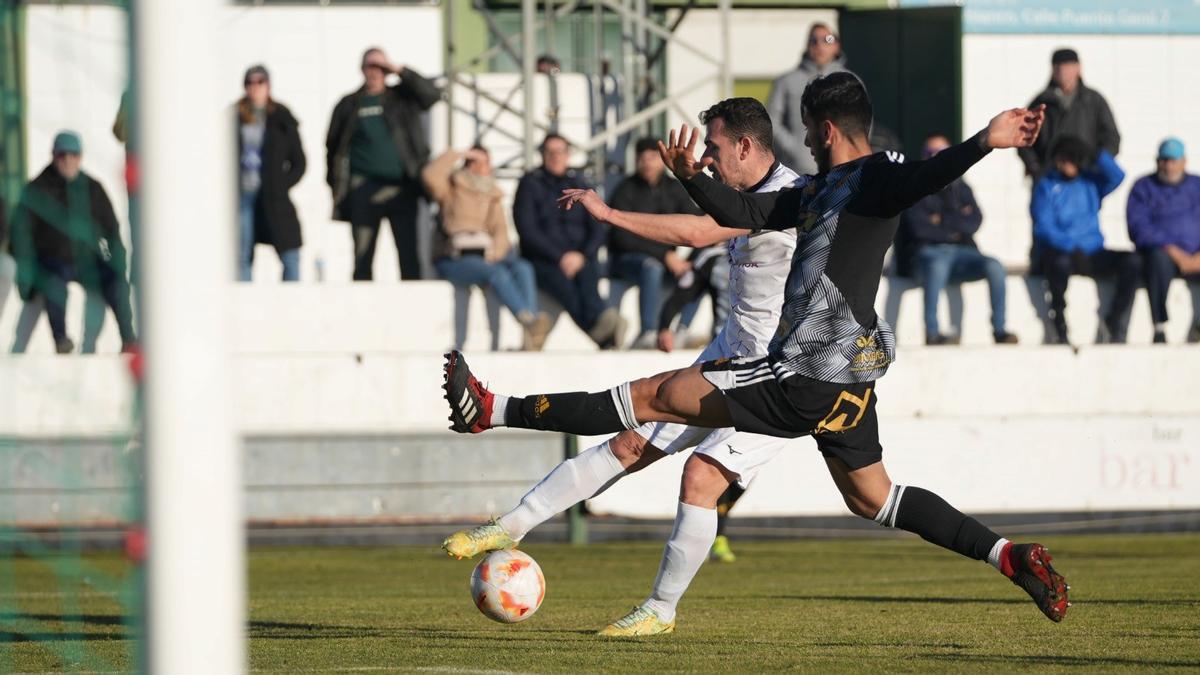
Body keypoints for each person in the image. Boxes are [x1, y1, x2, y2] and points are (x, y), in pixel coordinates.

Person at [443, 74, 1069, 631]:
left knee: (654, 399)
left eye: (807, 130)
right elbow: (743, 209)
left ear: (825, 129)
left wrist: (985, 141)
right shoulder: (826, 189)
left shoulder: (876, 178)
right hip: (849, 385)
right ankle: (1008, 555)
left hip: (799, 374)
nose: (805, 141)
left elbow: (920, 178)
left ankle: (494, 410)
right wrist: (691, 176)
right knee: (875, 498)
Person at [443, 97, 803, 628]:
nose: (706, 157)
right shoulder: (742, 194)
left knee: (700, 476)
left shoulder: (786, 197)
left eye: (715, 147)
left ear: (746, 146)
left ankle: (660, 610)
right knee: (629, 442)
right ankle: (511, 525)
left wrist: (609, 214)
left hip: (777, 375)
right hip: (728, 353)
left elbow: (698, 233)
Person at [11, 131, 136, 353]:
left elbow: (111, 232)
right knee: (54, 285)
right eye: (62, 154)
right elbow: (21, 235)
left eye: (73, 154)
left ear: (81, 157)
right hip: (53, 261)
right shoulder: (37, 189)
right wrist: (26, 274)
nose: (68, 160)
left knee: (116, 282)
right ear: (53, 155)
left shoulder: (92, 189)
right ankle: (61, 341)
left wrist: (114, 260)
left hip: (89, 259)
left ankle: (128, 339)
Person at [326, 47, 440, 281]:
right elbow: (333, 148)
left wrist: (399, 69)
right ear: (362, 69)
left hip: (401, 187)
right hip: (362, 188)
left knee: (408, 254)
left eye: (380, 67)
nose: (375, 72)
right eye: (370, 66)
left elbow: (432, 95)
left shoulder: (401, 99)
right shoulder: (348, 105)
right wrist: (336, 187)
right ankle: (361, 309)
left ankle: (411, 307)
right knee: (362, 255)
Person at [423, 146, 551, 350]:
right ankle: (528, 321)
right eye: (478, 161)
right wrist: (461, 154)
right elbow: (430, 175)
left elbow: (501, 232)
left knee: (523, 268)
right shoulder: (451, 188)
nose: (484, 167)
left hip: (486, 255)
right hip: (456, 257)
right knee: (497, 274)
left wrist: (495, 252)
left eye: (486, 162)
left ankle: (530, 333)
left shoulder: (492, 194)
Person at [898, 134, 1018, 345]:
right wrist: (956, 223)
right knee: (938, 264)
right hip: (928, 254)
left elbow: (975, 221)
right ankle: (933, 333)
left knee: (995, 266)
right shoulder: (913, 184)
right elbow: (919, 228)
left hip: (963, 253)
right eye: (931, 153)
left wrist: (941, 221)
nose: (936, 157)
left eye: (942, 152)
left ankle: (1000, 330)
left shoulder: (961, 187)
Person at [514, 134, 625, 349]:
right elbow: (527, 231)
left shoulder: (580, 183)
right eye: (551, 152)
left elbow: (598, 227)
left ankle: (606, 333)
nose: (556, 157)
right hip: (545, 259)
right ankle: (606, 332)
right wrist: (561, 256)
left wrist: (581, 255)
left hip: (581, 257)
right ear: (542, 155)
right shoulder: (529, 183)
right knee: (567, 290)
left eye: (561, 151)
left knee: (588, 278)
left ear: (568, 155)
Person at [1031, 135, 1138, 344]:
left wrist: (1097, 154)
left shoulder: (1090, 183)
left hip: (1092, 252)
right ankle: (1059, 322)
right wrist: (1072, 247)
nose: (1068, 164)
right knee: (1058, 264)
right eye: (1064, 159)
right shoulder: (1046, 186)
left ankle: (1113, 320)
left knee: (1132, 262)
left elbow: (1117, 177)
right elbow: (1043, 227)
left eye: (1073, 159)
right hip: (1063, 252)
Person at [607, 137, 697, 348]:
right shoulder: (625, 190)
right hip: (627, 262)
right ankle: (647, 332)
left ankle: (682, 330)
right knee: (651, 267)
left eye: (652, 157)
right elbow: (622, 238)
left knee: (701, 268)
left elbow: (695, 219)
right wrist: (665, 255)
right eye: (642, 158)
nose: (647, 162)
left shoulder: (674, 188)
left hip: (665, 263)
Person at [236, 65, 306, 282]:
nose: (255, 87)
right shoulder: (234, 116)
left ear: (268, 85)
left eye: (260, 82)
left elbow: (299, 162)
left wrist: (280, 184)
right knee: (241, 253)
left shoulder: (281, 117)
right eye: (250, 82)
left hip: (274, 196)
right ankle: (244, 304)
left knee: (289, 250)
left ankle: (292, 303)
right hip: (243, 196)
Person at [1127, 138, 1200, 344]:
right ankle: (1159, 326)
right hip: (1163, 253)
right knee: (1156, 261)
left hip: (1196, 254)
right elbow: (1139, 227)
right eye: (1164, 160)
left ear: (1184, 161)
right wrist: (1175, 253)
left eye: (1173, 161)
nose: (1169, 166)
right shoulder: (1144, 187)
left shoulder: (1197, 186)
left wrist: (1196, 258)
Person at [1018, 48, 1120, 179]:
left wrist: (1095, 166)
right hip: (1049, 179)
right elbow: (1023, 139)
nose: (1062, 70)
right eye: (1057, 66)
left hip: (1086, 178)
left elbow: (1111, 138)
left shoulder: (1094, 100)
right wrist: (1036, 168)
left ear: (1078, 68)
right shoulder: (1041, 102)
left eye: (1068, 65)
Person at [766, 23, 847, 176]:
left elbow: (861, 121)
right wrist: (794, 148)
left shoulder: (850, 81)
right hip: (798, 173)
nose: (820, 45)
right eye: (813, 40)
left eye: (827, 39)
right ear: (807, 45)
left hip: (841, 170)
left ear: (837, 45)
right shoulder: (785, 82)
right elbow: (771, 121)